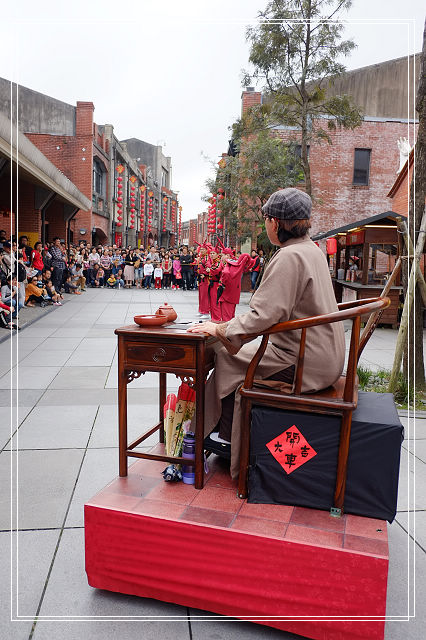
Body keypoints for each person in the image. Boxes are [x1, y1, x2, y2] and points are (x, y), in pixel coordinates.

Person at [188, 188, 345, 480]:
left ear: (274, 223)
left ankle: (223, 435)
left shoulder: (289, 256)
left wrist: (219, 328)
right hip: (324, 355)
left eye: (266, 221)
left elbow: (262, 316)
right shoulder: (313, 250)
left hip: (303, 361)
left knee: (224, 354)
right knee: (233, 349)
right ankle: (220, 430)